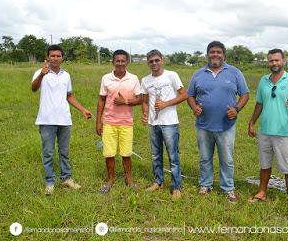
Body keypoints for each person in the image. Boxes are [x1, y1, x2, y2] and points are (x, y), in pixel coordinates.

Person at [248, 48, 288, 215]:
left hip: (284, 132)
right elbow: (259, 103)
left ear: (284, 61)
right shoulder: (263, 80)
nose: (274, 63)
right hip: (265, 131)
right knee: (265, 164)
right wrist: (252, 122)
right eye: (271, 61)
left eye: (276, 60)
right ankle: (262, 192)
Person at [187, 41, 249, 203]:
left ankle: (228, 187)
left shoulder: (234, 73)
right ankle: (205, 184)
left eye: (218, 52)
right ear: (207, 55)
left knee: (227, 159)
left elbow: (244, 95)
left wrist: (236, 109)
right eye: (212, 52)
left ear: (224, 55)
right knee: (205, 157)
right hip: (204, 125)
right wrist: (194, 107)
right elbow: (190, 95)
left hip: (226, 126)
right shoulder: (198, 74)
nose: (215, 55)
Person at [31, 44, 92, 195]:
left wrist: (83, 110)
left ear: (62, 58)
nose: (55, 58)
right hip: (46, 120)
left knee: (64, 151)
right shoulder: (41, 72)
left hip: (64, 119)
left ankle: (66, 178)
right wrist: (41, 75)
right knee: (48, 153)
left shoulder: (66, 75)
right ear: (47, 57)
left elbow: (69, 96)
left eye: (58, 56)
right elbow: (33, 88)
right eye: (52, 56)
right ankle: (50, 182)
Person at [141, 49, 187, 200]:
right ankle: (158, 182)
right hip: (153, 123)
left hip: (169, 123)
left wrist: (166, 104)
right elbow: (145, 100)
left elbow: (184, 95)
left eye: (156, 60)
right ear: (147, 63)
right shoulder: (145, 80)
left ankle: (176, 186)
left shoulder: (171, 75)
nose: (154, 63)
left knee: (173, 156)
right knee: (155, 155)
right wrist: (145, 113)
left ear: (162, 60)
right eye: (151, 61)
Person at [96, 49, 141, 193]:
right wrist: (98, 121)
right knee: (109, 154)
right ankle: (110, 180)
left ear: (127, 62)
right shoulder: (106, 78)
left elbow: (140, 99)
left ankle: (129, 180)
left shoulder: (133, 79)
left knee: (126, 154)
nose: (120, 63)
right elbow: (101, 100)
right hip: (109, 122)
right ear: (113, 62)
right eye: (117, 61)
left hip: (126, 122)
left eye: (123, 61)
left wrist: (125, 101)